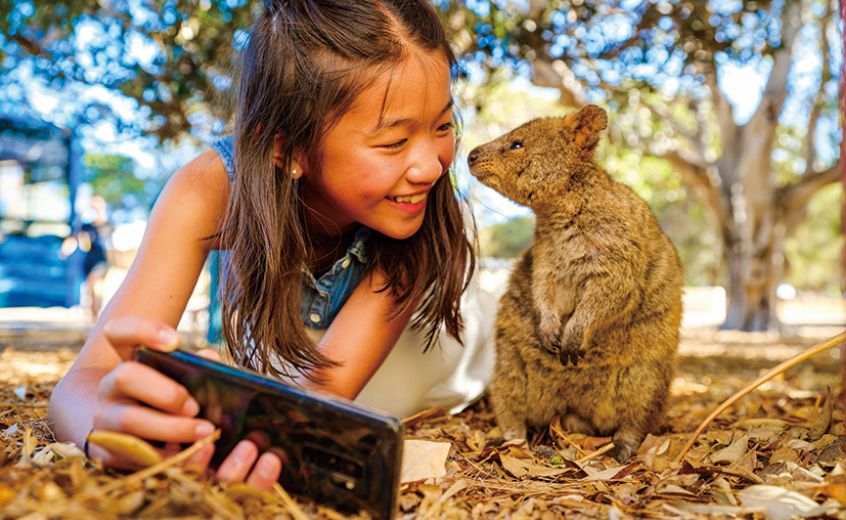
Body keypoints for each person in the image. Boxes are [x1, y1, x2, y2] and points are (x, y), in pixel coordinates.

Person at [48, 0, 493, 491]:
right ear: (287, 149)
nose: (432, 166)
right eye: (392, 142)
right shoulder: (209, 189)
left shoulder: (417, 214)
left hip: (450, 342)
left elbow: (323, 394)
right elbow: (82, 382)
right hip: (307, 352)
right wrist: (104, 430)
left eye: (443, 126)